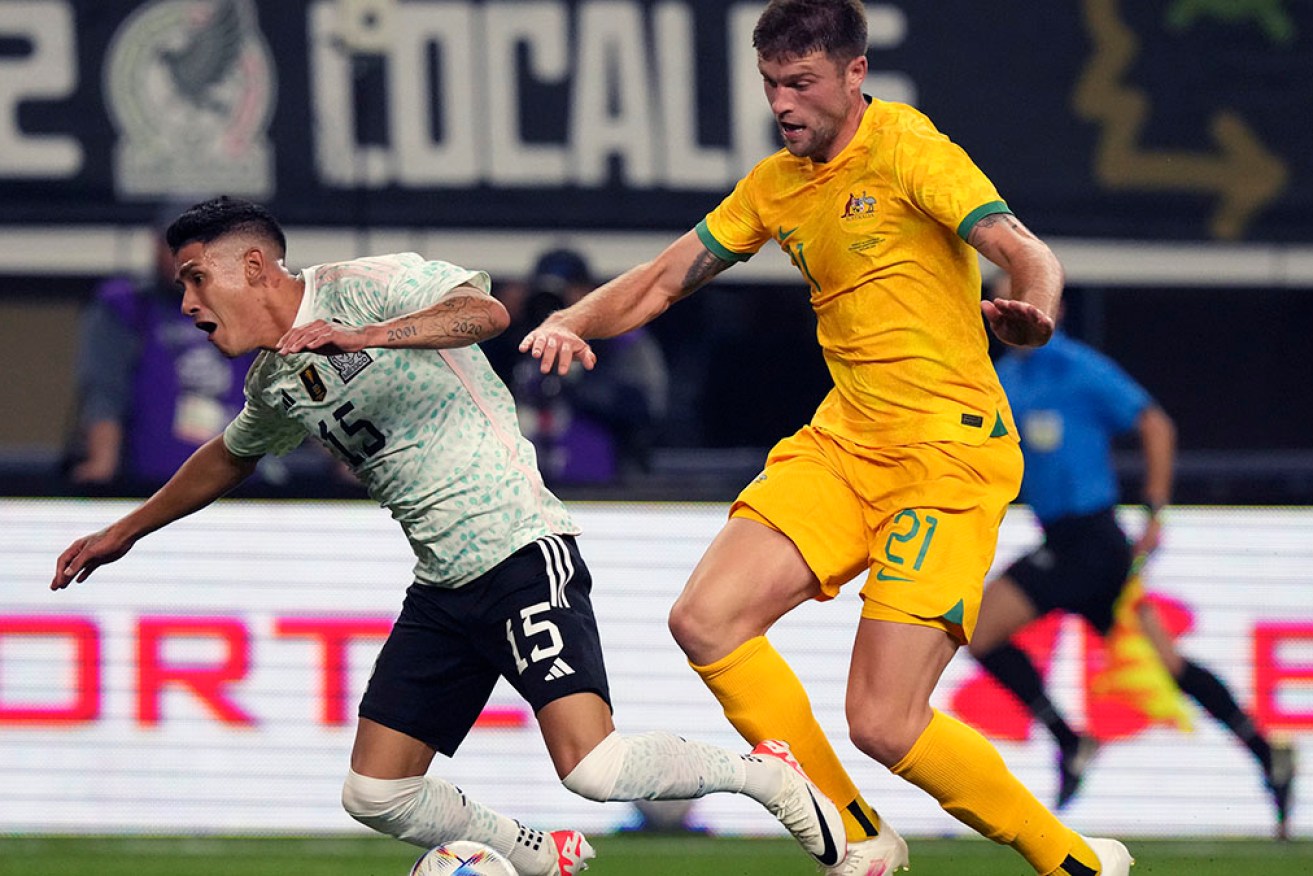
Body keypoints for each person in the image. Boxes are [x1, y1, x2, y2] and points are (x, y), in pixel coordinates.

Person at [50, 196, 851, 876]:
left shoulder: (365, 288)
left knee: (596, 768)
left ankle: (761, 775)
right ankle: (535, 853)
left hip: (520, 550)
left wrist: (360, 337)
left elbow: (487, 313)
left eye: (197, 278)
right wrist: (123, 531)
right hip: (443, 586)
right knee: (374, 795)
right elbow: (229, 455)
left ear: (255, 267)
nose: (188, 302)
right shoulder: (275, 379)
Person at [521, 2, 1131, 873]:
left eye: (800, 82)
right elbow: (664, 278)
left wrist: (1033, 309)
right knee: (706, 620)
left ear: (854, 75)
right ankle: (853, 832)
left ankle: (1069, 859)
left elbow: (1022, 249)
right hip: (846, 441)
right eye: (771, 83)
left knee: (883, 722)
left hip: (946, 456)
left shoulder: (910, 150)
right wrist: (575, 318)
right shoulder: (776, 183)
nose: (782, 102)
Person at [969, 282, 1296, 835]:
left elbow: (1155, 424)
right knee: (1167, 664)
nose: (1010, 313)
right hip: (1067, 543)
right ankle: (1266, 750)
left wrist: (1156, 513)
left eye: (1021, 300)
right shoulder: (1003, 380)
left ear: (1051, 310)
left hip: (1092, 542)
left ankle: (1071, 742)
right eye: (1001, 304)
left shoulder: (1078, 368)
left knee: (978, 628)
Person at [63, 212, 256, 493]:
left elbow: (301, 388)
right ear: (155, 245)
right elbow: (105, 392)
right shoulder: (128, 308)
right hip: (148, 488)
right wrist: (103, 463)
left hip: (244, 491)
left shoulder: (252, 308)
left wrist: (342, 458)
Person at [508, 249, 669, 486]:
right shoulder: (519, 336)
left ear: (588, 291)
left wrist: (576, 383)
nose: (558, 303)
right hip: (527, 482)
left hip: (604, 483)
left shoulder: (621, 338)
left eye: (568, 289)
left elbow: (646, 409)